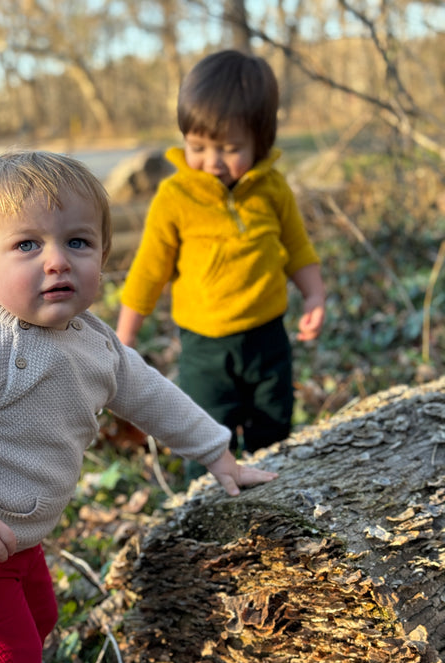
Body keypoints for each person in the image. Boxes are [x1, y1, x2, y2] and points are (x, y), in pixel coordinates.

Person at [0, 150, 277, 663]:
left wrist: (218, 454)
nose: (56, 261)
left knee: (40, 621)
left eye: (77, 242)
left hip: (16, 536)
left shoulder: (95, 344)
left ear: (102, 257)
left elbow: (153, 397)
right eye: (26, 246)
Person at [116, 50, 325, 480]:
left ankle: (274, 497)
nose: (212, 161)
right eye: (198, 147)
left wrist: (315, 294)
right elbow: (148, 272)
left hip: (268, 336)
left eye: (230, 149)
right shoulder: (175, 198)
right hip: (205, 346)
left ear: (260, 141)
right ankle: (207, 506)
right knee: (207, 433)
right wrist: (125, 338)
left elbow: (297, 248)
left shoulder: (272, 188)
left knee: (274, 425)